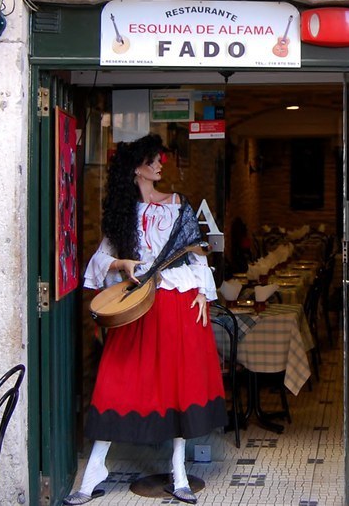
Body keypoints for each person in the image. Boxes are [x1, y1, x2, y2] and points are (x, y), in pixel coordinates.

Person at [64, 134, 226, 505]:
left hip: (180, 304)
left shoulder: (179, 205)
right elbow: (101, 260)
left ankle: (179, 470)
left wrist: (202, 292)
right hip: (138, 307)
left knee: (178, 386)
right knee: (115, 382)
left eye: (160, 160)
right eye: (152, 160)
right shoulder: (123, 215)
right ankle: (94, 470)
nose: (160, 165)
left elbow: (196, 253)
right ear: (136, 167)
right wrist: (122, 264)